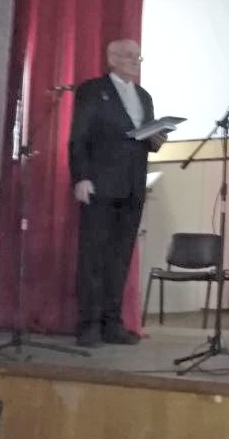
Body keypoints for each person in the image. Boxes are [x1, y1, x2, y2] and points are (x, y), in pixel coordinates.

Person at [68, 39, 165, 347]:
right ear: (111, 58)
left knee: (120, 258)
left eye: (138, 57)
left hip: (133, 186)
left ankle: (113, 323)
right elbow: (79, 137)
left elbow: (148, 140)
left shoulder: (144, 96)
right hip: (100, 184)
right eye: (128, 56)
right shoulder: (93, 90)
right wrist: (81, 177)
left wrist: (157, 137)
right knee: (93, 257)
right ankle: (89, 325)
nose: (135, 61)